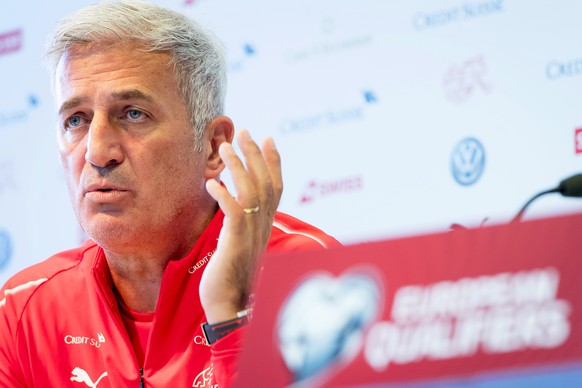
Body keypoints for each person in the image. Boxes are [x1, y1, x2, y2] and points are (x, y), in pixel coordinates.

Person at [0, 1, 340, 386]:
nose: (96, 152)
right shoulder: (23, 309)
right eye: (75, 120)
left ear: (212, 147)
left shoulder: (309, 274)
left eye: (132, 114)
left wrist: (231, 319)